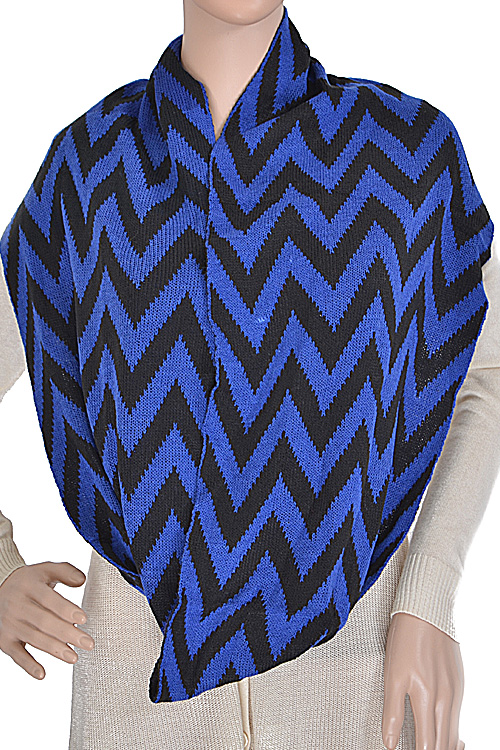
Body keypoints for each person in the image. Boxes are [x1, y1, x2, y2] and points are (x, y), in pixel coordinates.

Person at [1, 2, 499, 748]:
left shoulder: (403, 152)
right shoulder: (90, 168)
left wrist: (427, 593)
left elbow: (487, 372)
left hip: (359, 682)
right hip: (136, 694)